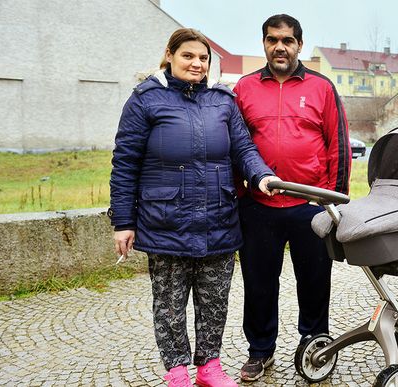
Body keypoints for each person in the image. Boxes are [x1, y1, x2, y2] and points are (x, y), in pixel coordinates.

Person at [109, 28, 280, 387]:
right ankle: (176, 372)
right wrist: (123, 221)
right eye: (188, 56)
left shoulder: (222, 100)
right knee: (170, 305)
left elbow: (244, 149)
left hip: (219, 218)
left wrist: (261, 174)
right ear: (169, 55)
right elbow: (125, 163)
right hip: (165, 220)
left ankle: (209, 368)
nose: (197, 64)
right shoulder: (145, 100)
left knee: (214, 301)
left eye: (203, 58)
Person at [233, 14, 351, 382]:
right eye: (272, 40)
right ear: (264, 44)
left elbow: (339, 145)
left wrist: (335, 201)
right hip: (259, 206)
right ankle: (260, 351)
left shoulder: (322, 87)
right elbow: (235, 146)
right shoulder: (244, 88)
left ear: (300, 44)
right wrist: (241, 196)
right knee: (258, 283)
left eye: (287, 40)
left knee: (315, 280)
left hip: (310, 205)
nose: (279, 46)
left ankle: (316, 344)